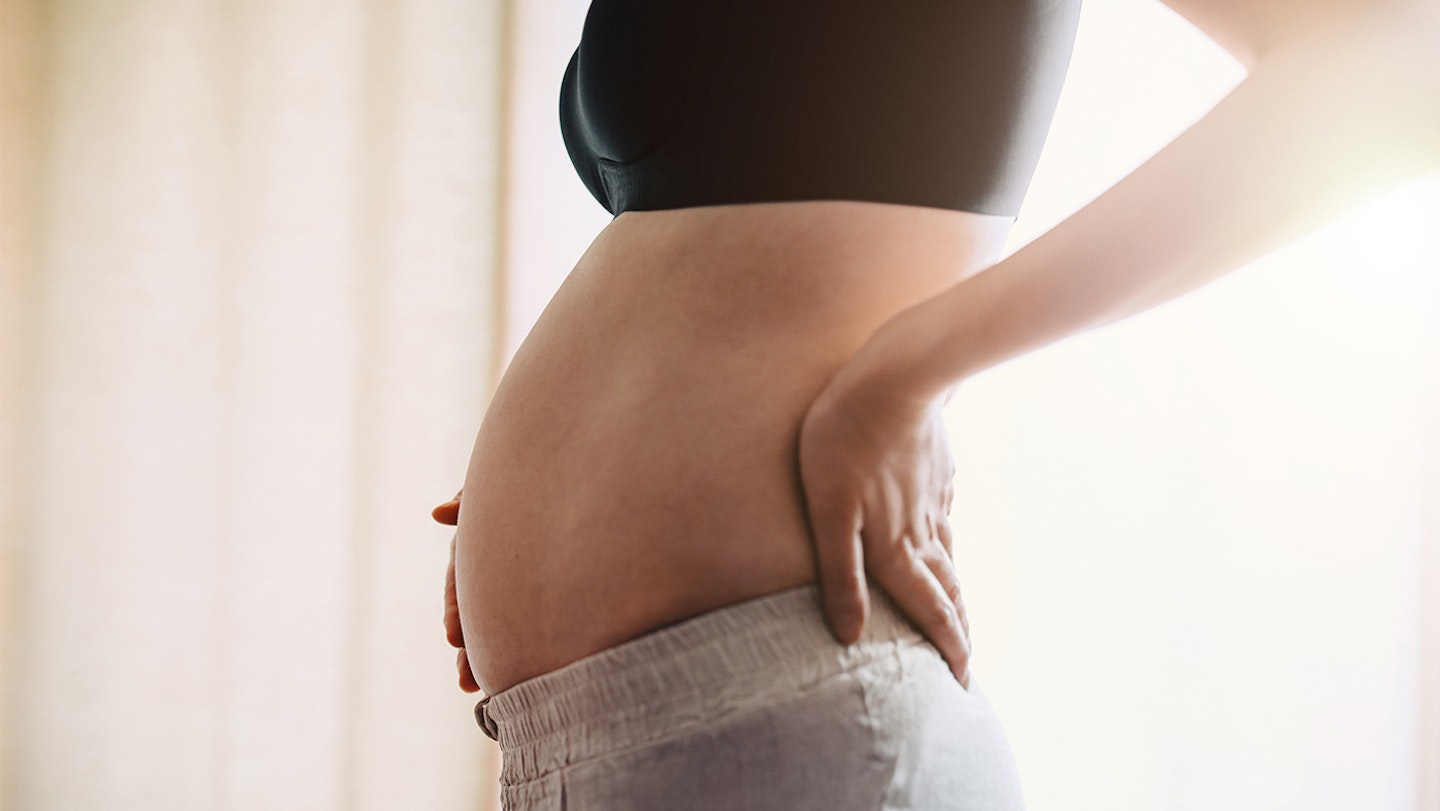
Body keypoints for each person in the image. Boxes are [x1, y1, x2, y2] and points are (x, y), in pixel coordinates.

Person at [432, 1, 1439, 808]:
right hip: (592, 738)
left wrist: (910, 367)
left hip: (796, 718)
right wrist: (558, 478)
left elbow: (1402, 65)